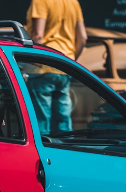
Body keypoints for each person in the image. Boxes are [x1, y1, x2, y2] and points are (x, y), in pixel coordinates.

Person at [24, 0, 87, 135]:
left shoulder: (40, 1)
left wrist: (29, 64)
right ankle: (66, 151)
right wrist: (71, 60)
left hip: (43, 64)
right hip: (64, 64)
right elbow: (83, 37)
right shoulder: (73, 2)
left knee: (41, 121)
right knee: (63, 120)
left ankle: (42, 152)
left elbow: (38, 35)